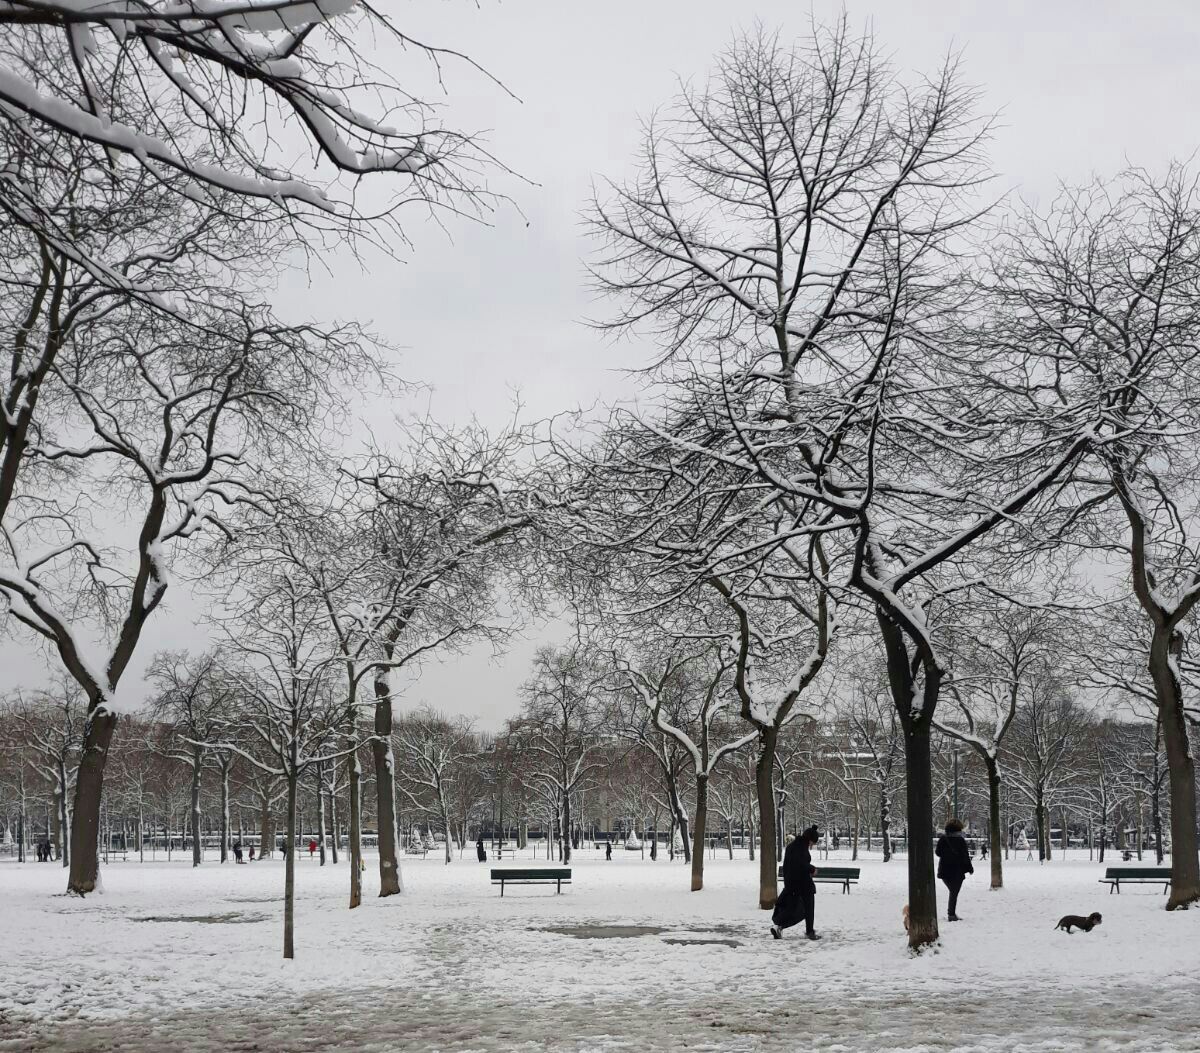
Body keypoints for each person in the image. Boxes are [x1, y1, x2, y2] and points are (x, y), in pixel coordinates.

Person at [771, 825, 821, 941]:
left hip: (792, 883)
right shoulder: (801, 848)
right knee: (807, 908)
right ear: (809, 839)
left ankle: (779, 926)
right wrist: (812, 869)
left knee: (795, 908)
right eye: (813, 843)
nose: (812, 845)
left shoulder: (793, 846)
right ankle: (808, 931)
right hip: (802, 883)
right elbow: (801, 864)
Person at [936, 818, 974, 921]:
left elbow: (938, 853)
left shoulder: (943, 839)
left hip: (944, 870)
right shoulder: (960, 840)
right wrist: (969, 868)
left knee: (953, 892)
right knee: (954, 892)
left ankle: (951, 914)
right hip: (957, 871)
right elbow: (965, 856)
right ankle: (951, 914)